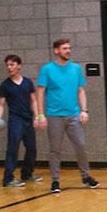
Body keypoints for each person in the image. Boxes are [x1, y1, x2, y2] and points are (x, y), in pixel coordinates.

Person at [34, 38, 99, 194]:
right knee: (55, 150)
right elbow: (40, 92)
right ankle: (55, 180)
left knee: (81, 146)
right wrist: (40, 115)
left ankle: (86, 176)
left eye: (69, 48)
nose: (68, 51)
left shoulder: (76, 69)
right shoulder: (47, 69)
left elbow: (81, 90)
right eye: (64, 48)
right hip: (54, 115)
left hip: (73, 115)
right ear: (56, 51)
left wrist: (84, 110)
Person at [0, 54, 41, 188]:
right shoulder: (5, 85)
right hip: (15, 120)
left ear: (19, 66)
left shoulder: (27, 82)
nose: (9, 68)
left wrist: (37, 116)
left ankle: (27, 173)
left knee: (32, 148)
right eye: (7, 65)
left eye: (12, 64)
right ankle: (8, 178)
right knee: (13, 148)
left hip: (28, 119)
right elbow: (1, 104)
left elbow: (33, 100)